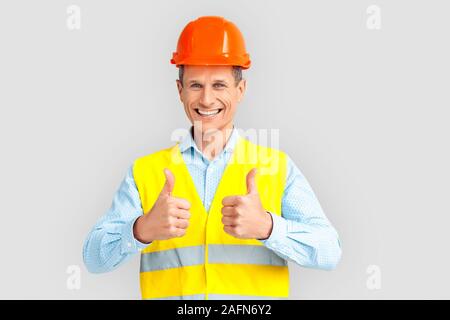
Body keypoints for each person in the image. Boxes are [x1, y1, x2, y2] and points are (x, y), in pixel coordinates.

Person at [83, 16, 342, 300]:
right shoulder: (145, 172)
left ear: (240, 90)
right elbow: (93, 259)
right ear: (180, 91)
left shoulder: (277, 168)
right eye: (195, 85)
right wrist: (141, 229)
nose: (206, 99)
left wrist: (269, 227)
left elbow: (330, 251)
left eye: (219, 85)